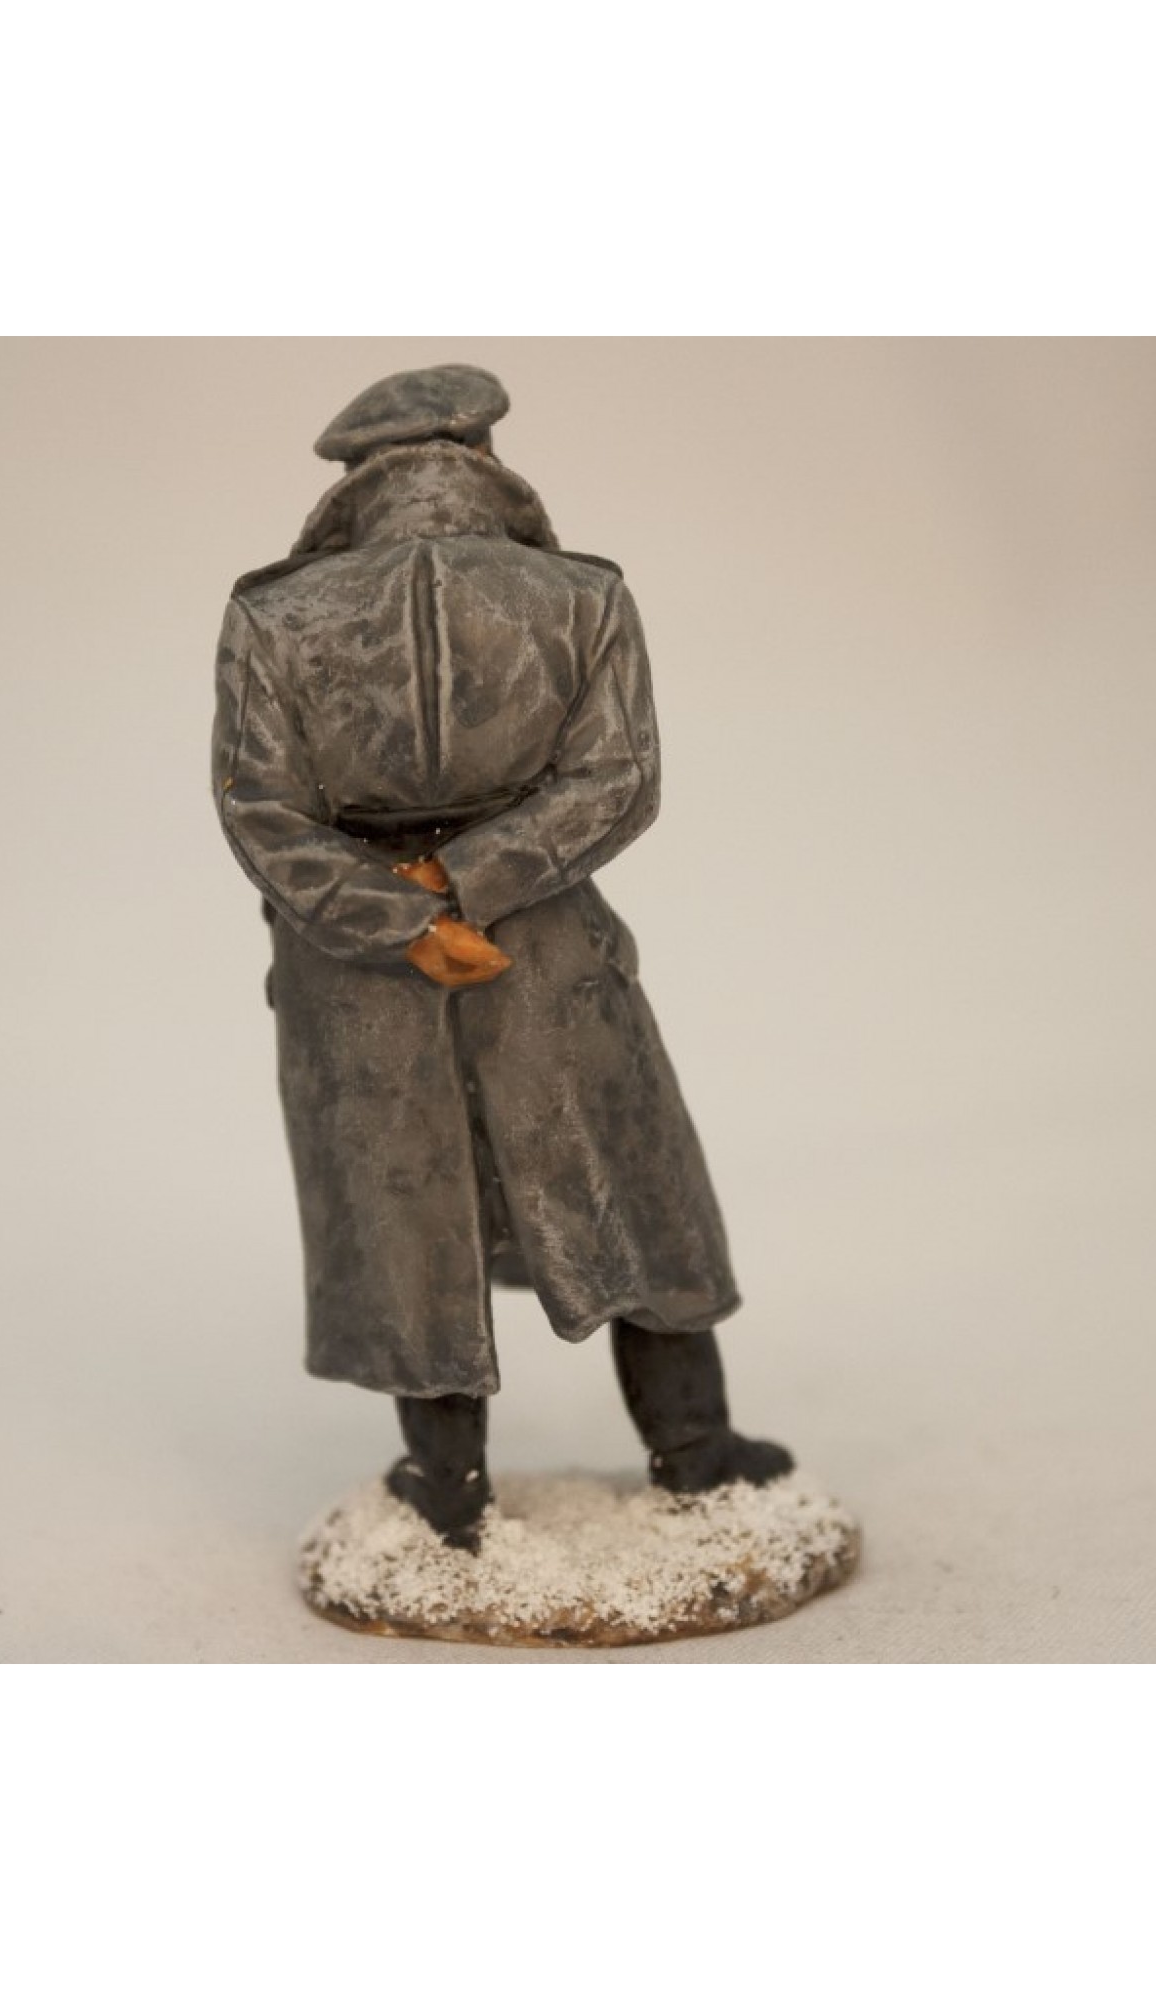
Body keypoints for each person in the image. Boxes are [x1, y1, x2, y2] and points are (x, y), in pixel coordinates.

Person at [211, 364, 790, 1549]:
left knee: (402, 1219)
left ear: (355, 479)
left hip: (350, 964)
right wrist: (464, 880)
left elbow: (259, 812)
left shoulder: (274, 612)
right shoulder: (581, 595)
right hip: (541, 938)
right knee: (630, 1189)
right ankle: (695, 1449)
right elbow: (616, 781)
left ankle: (445, 1486)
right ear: (481, 455)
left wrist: (399, 918)